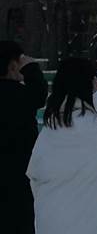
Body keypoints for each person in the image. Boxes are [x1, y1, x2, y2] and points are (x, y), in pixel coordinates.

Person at [27, 57, 97, 234]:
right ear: (91, 84)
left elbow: (34, 175)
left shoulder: (51, 128)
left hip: (48, 220)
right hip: (83, 223)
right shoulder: (92, 125)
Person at [0, 40, 48, 234]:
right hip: (18, 178)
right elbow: (40, 93)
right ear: (12, 65)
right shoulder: (19, 95)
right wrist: (31, 68)